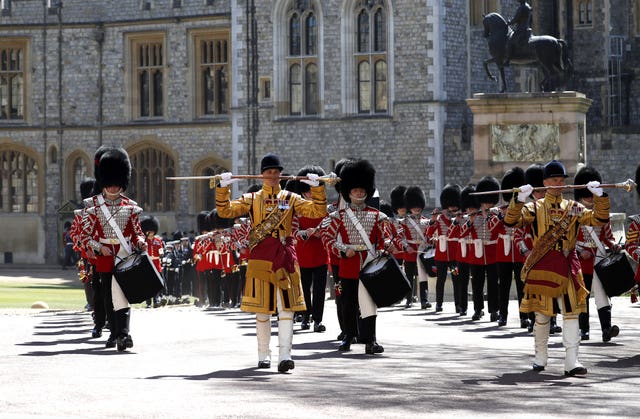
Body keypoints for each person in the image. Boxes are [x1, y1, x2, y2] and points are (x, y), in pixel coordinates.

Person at [215, 152, 328, 373]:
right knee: (262, 312)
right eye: (269, 173)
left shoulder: (291, 198)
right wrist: (223, 187)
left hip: (285, 256)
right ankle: (263, 355)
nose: (273, 176)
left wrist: (317, 188)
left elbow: (317, 211)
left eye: (277, 172)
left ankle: (285, 355)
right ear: (261, 175)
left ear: (281, 174)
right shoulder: (252, 199)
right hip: (260, 258)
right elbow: (225, 210)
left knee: (286, 310)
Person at [503, 159, 610, 376]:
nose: (559, 183)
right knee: (542, 316)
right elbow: (512, 222)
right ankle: (540, 356)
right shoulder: (535, 207)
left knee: (572, 313)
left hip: (569, 266)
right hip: (543, 266)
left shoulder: (574, 207)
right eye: (554, 180)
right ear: (545, 182)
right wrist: (518, 200)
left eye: (561, 180)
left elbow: (599, 219)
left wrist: (600, 197)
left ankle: (572, 361)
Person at [79, 146, 147, 351]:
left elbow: (137, 232)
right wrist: (100, 247)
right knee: (109, 297)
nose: (114, 189)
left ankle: (123, 334)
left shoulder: (130, 206)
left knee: (123, 296)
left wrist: (141, 241)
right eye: (110, 185)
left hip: (124, 255)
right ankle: (114, 333)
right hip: (105, 257)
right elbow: (84, 237)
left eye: (117, 185)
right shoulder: (93, 207)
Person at [320, 159, 389, 355]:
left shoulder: (377, 216)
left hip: (369, 264)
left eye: (361, 190)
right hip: (348, 264)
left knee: (369, 304)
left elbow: (383, 240)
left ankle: (370, 339)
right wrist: (343, 249)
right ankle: (348, 336)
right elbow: (327, 239)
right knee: (348, 303)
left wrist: (384, 252)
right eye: (355, 190)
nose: (359, 193)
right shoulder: (338, 217)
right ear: (348, 192)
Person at [574, 166, 621, 342]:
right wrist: (580, 251)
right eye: (586, 194)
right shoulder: (574, 212)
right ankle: (584, 329)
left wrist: (614, 245)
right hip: (581, 260)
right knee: (583, 295)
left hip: (599, 258)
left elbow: (608, 236)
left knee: (602, 295)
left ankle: (606, 329)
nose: (589, 198)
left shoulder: (602, 212)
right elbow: (569, 239)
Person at [291, 165, 329, 332]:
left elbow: (329, 228)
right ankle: (305, 317)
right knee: (304, 288)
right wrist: (305, 233)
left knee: (320, 290)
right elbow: (293, 231)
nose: (310, 194)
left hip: (320, 253)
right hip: (303, 254)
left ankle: (318, 320)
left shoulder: (324, 209)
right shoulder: (297, 210)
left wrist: (319, 232)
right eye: (307, 191)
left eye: (312, 190)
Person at [460, 176, 501, 321]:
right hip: (476, 254)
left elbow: (499, 230)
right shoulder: (473, 216)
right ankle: (478, 309)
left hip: (492, 253)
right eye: (485, 201)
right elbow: (462, 233)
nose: (487, 204)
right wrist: (470, 222)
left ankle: (494, 310)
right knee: (476, 284)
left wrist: (491, 216)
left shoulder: (496, 214)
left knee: (493, 284)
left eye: (490, 201)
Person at [494, 167, 528, 328]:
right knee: (504, 286)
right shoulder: (499, 212)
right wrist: (501, 218)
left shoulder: (525, 210)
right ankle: (503, 315)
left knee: (522, 287)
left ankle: (524, 316)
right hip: (503, 253)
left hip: (519, 252)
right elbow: (493, 232)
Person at [426, 184, 461, 313]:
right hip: (441, 255)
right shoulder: (440, 219)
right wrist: (432, 220)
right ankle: (439, 304)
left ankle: (458, 304)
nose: (451, 209)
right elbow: (428, 235)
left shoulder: (460, 218)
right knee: (441, 280)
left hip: (454, 255)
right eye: (449, 206)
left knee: (456, 279)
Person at [399, 186, 431, 310]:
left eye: (418, 206)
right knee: (409, 277)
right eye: (414, 206)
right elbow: (399, 238)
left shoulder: (426, 221)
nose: (416, 208)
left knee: (423, 277)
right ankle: (409, 299)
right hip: (410, 252)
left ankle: (424, 300)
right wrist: (407, 247)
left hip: (422, 251)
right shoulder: (404, 222)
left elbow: (429, 236)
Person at [140, 215, 164, 308]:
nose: (151, 233)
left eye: (152, 231)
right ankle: (148, 302)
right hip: (148, 264)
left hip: (156, 264)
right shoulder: (143, 241)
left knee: (157, 283)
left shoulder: (158, 240)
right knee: (148, 284)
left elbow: (160, 249)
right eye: (149, 231)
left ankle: (156, 300)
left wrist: (161, 253)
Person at [505, 0, 533, 65]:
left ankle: (508, 60)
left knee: (510, 41)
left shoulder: (522, 7)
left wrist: (509, 22)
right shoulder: (528, 6)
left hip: (521, 29)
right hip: (527, 28)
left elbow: (516, 19)